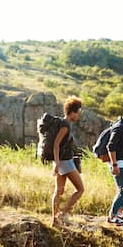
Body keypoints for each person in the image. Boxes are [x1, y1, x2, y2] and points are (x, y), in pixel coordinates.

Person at [51, 97, 85, 226]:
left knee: (59, 191)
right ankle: (62, 214)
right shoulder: (65, 125)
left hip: (61, 161)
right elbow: (56, 144)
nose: (79, 116)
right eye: (78, 113)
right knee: (80, 189)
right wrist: (57, 163)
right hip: (65, 162)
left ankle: (55, 220)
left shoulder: (63, 123)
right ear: (72, 112)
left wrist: (56, 163)